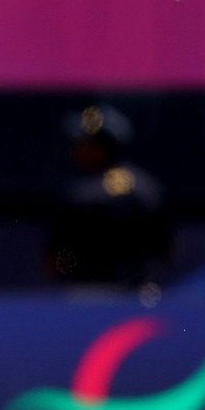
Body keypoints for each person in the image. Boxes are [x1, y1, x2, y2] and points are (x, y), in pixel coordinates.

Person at [46, 104, 173, 289]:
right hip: (139, 296)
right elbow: (166, 254)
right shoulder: (149, 190)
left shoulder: (77, 194)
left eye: (82, 143)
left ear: (101, 147)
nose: (75, 148)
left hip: (83, 299)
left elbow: (54, 262)